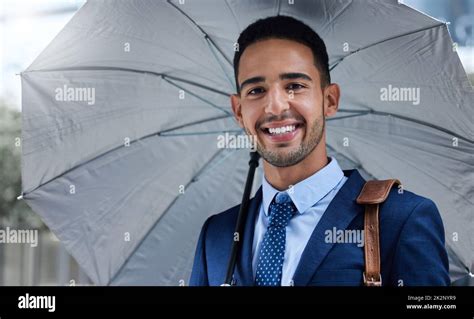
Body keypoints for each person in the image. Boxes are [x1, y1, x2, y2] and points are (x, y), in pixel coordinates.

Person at [189, 15, 449, 286]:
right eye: (256, 90)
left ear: (330, 100)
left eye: (294, 86)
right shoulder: (217, 235)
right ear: (239, 111)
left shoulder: (400, 218)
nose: (276, 107)